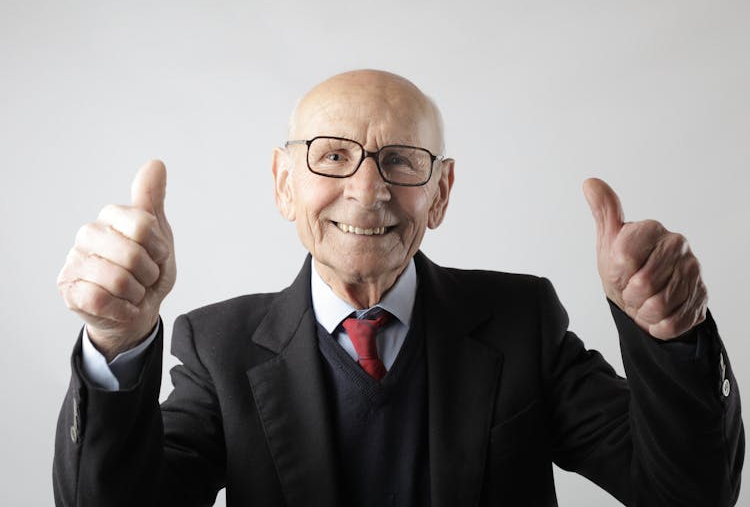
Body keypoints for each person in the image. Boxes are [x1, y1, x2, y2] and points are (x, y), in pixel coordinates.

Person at [53, 70, 743, 506]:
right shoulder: (220, 346)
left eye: (401, 162)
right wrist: (116, 341)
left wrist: (673, 334)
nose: (368, 189)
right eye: (332, 156)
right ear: (283, 184)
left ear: (440, 194)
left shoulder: (518, 320)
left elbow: (686, 493)